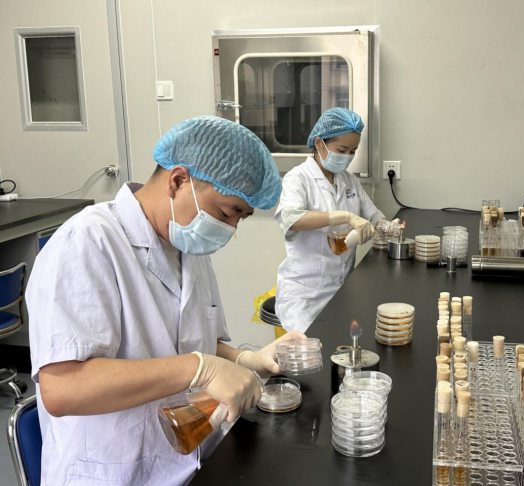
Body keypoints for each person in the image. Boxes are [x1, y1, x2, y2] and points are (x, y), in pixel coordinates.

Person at [27, 116, 307, 486]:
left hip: (190, 458)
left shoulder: (187, 246)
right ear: (177, 180)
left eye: (242, 217)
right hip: (114, 473)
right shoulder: (87, 243)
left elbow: (193, 343)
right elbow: (62, 389)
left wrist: (245, 359)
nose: (231, 229)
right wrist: (201, 368)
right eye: (227, 212)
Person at [274, 108, 394, 332]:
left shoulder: (349, 180)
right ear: (319, 143)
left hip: (342, 288)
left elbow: (373, 214)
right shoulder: (298, 178)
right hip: (305, 295)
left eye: (353, 151)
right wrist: (345, 217)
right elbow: (291, 219)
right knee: (312, 349)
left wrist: (387, 226)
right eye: (342, 150)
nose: (347, 156)